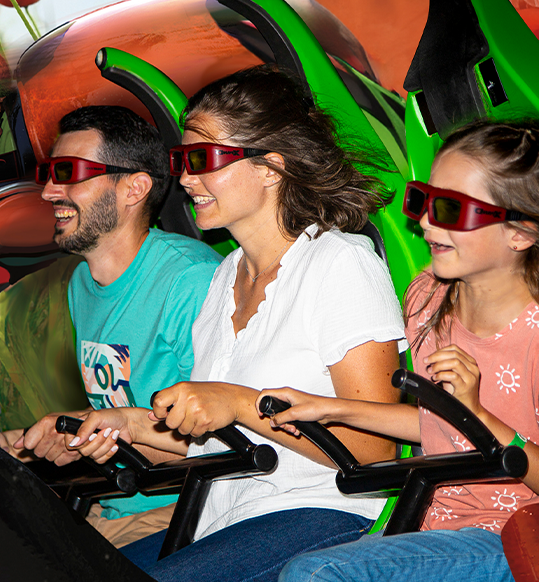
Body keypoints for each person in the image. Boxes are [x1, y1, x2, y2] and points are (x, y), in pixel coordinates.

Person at [273, 119, 539, 582]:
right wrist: (329, 409)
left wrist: (481, 416)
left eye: (452, 210)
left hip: (511, 538)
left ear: (520, 232)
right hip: (426, 520)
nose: (424, 221)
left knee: (317, 574)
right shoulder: (427, 299)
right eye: (424, 200)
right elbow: (439, 425)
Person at [69, 65, 407, 582]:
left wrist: (242, 402)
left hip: (324, 513)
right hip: (221, 520)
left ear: (271, 167)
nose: (184, 178)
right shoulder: (224, 275)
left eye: (201, 160)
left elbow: (375, 450)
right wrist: (133, 426)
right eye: (182, 161)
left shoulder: (339, 262)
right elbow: (227, 444)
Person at [0, 105, 223, 547]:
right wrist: (17, 441)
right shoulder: (81, 284)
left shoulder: (190, 281)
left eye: (70, 172)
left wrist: (85, 430)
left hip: (184, 509)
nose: (51, 191)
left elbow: (224, 440)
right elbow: (111, 419)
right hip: (113, 500)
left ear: (135, 188)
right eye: (50, 172)